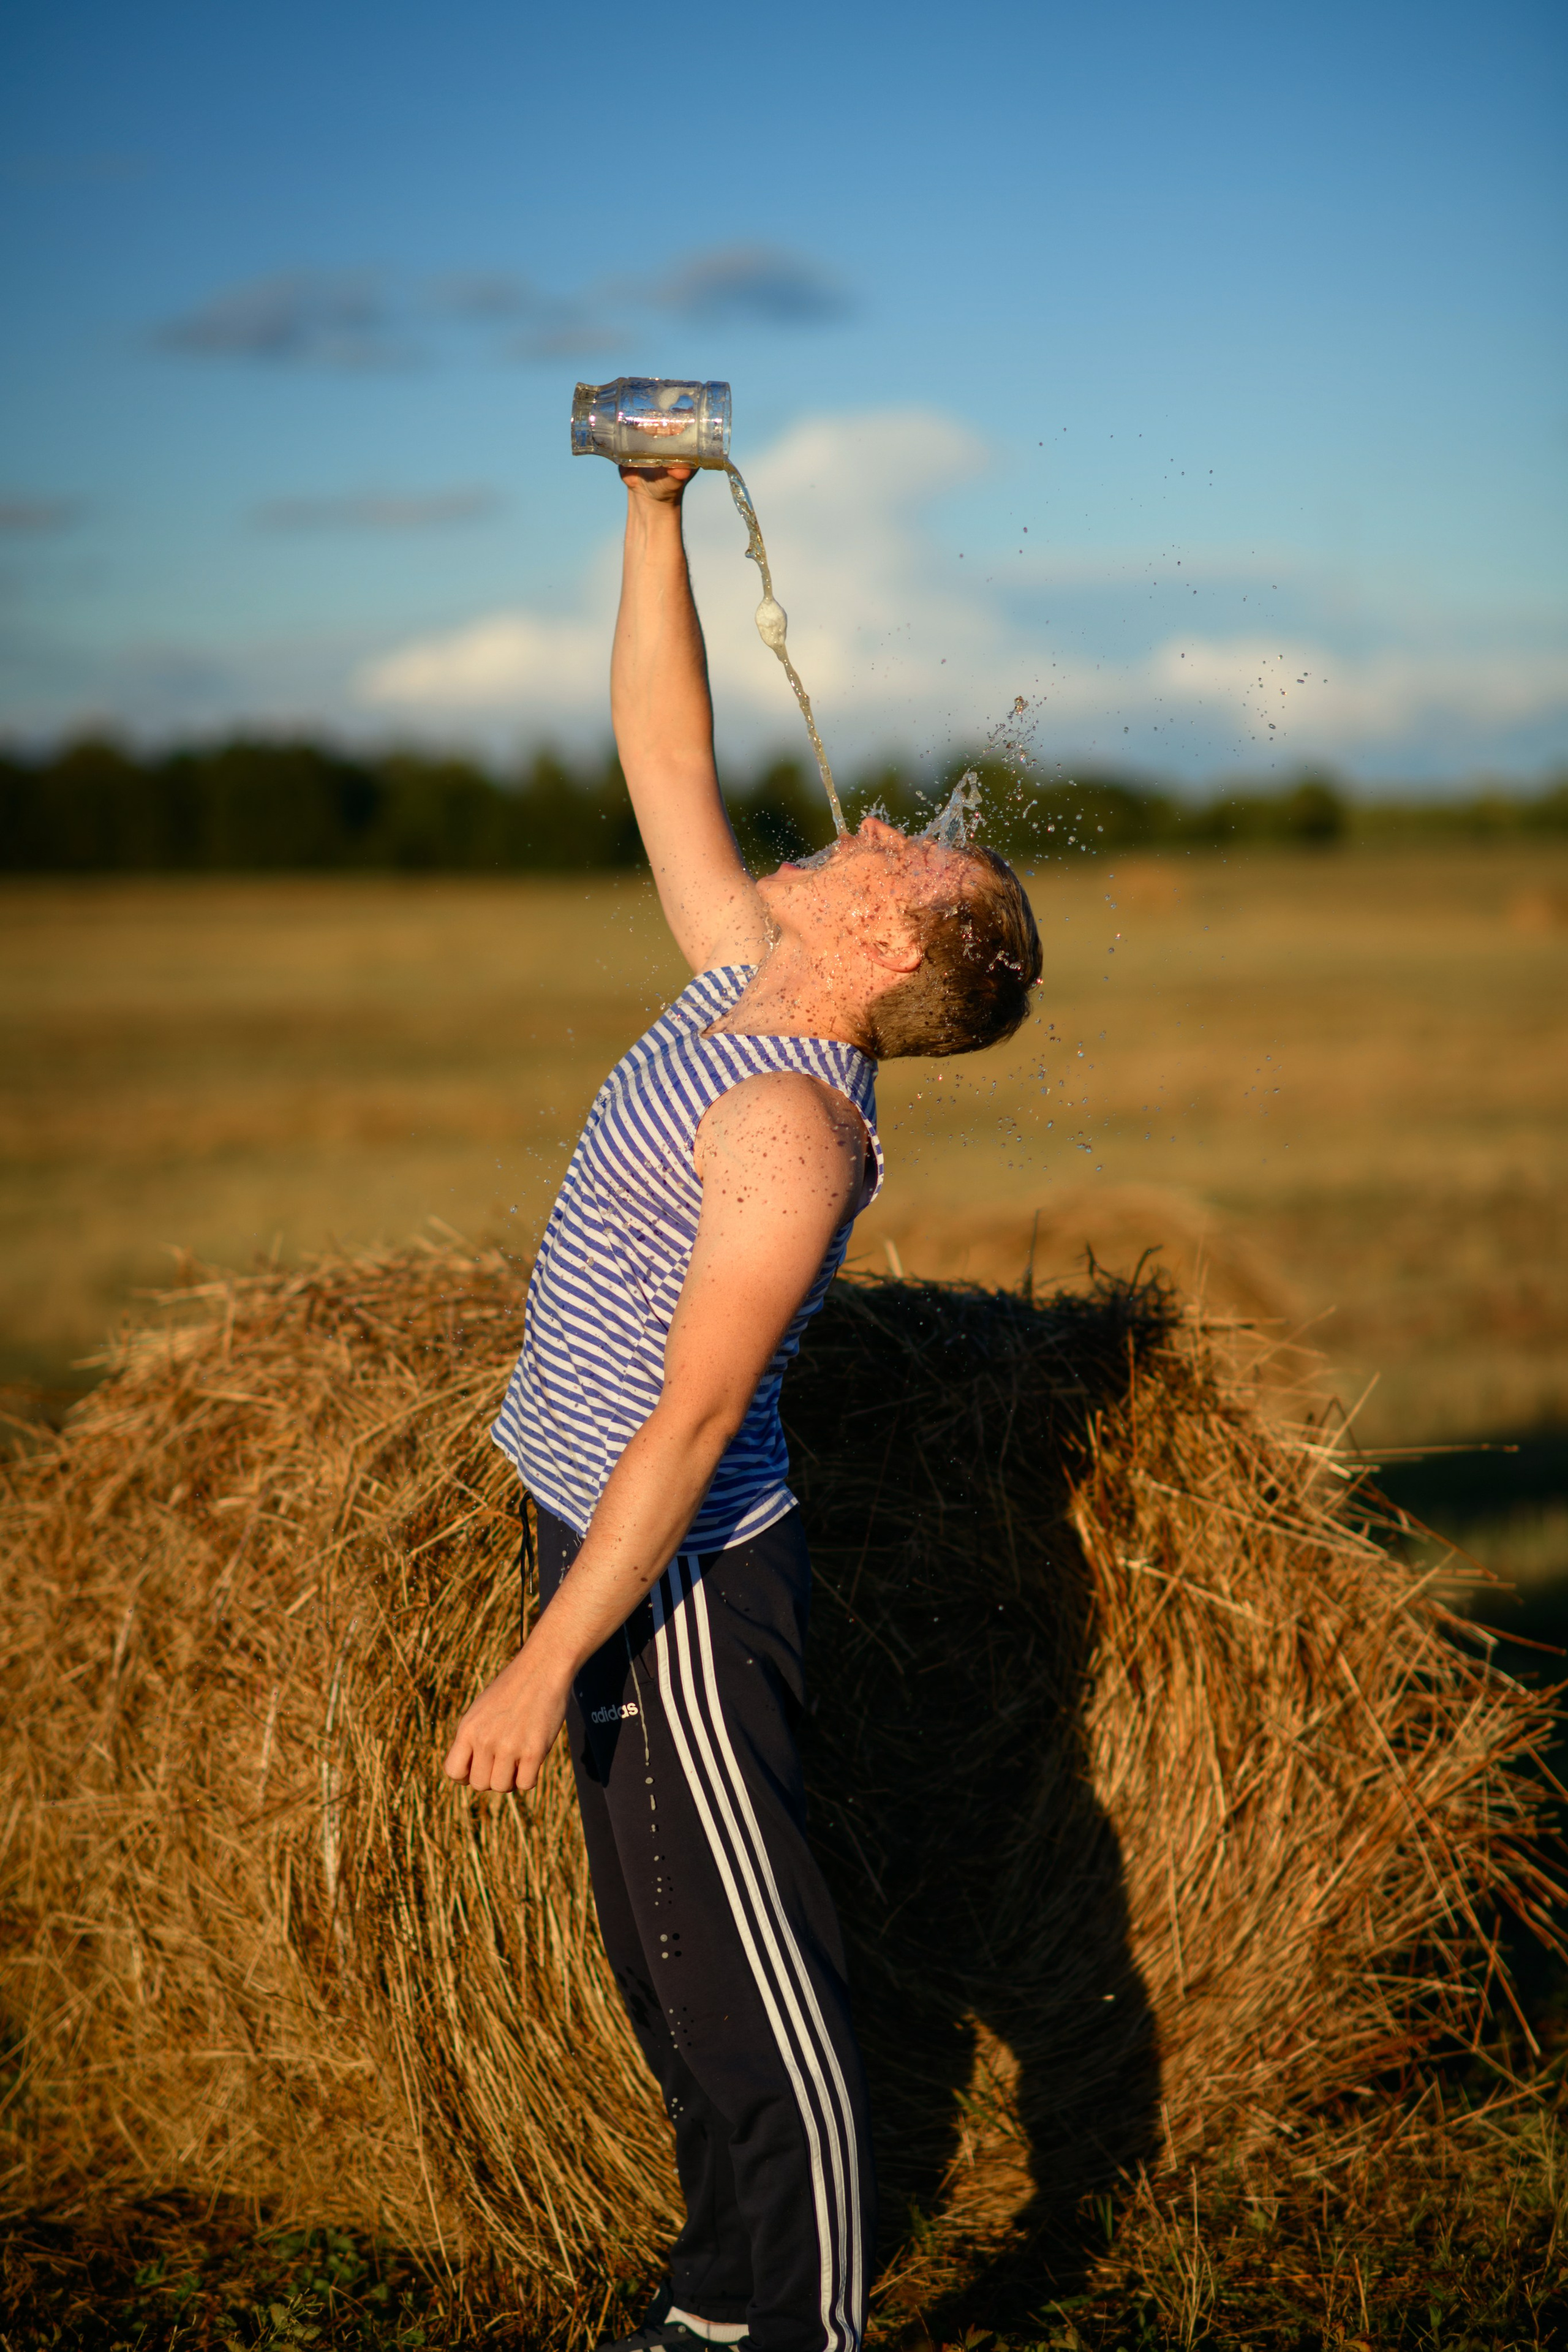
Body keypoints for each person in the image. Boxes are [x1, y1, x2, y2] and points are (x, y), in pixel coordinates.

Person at [443, 459, 1042, 2352]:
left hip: (687, 1584)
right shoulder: (737, 986)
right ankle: (718, 2309)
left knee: (756, 1998)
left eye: (905, 855)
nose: (870, 819)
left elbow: (693, 1432)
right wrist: (654, 513)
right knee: (665, 1968)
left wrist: (550, 1661)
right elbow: (660, 748)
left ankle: (804, 2331)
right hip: (606, 1534)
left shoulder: (791, 1124)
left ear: (884, 952)